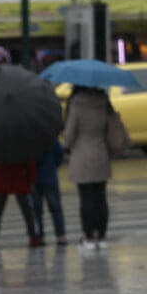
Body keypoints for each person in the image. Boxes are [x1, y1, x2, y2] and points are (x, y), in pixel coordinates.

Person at [63, 85, 112, 249]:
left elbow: (69, 137)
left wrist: (67, 143)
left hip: (82, 157)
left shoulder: (76, 104)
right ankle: (102, 235)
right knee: (100, 197)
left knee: (86, 199)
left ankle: (89, 236)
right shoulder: (104, 102)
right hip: (101, 154)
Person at [0, 160, 43, 251]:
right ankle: (34, 237)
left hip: (1, 178)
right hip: (20, 177)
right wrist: (32, 180)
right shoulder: (23, 146)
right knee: (28, 211)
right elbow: (30, 161)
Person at [31, 138, 67, 247]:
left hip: (34, 178)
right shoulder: (50, 136)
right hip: (50, 177)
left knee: (36, 210)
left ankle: (39, 237)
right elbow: (60, 155)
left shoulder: (28, 138)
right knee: (56, 209)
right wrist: (52, 167)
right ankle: (61, 236)